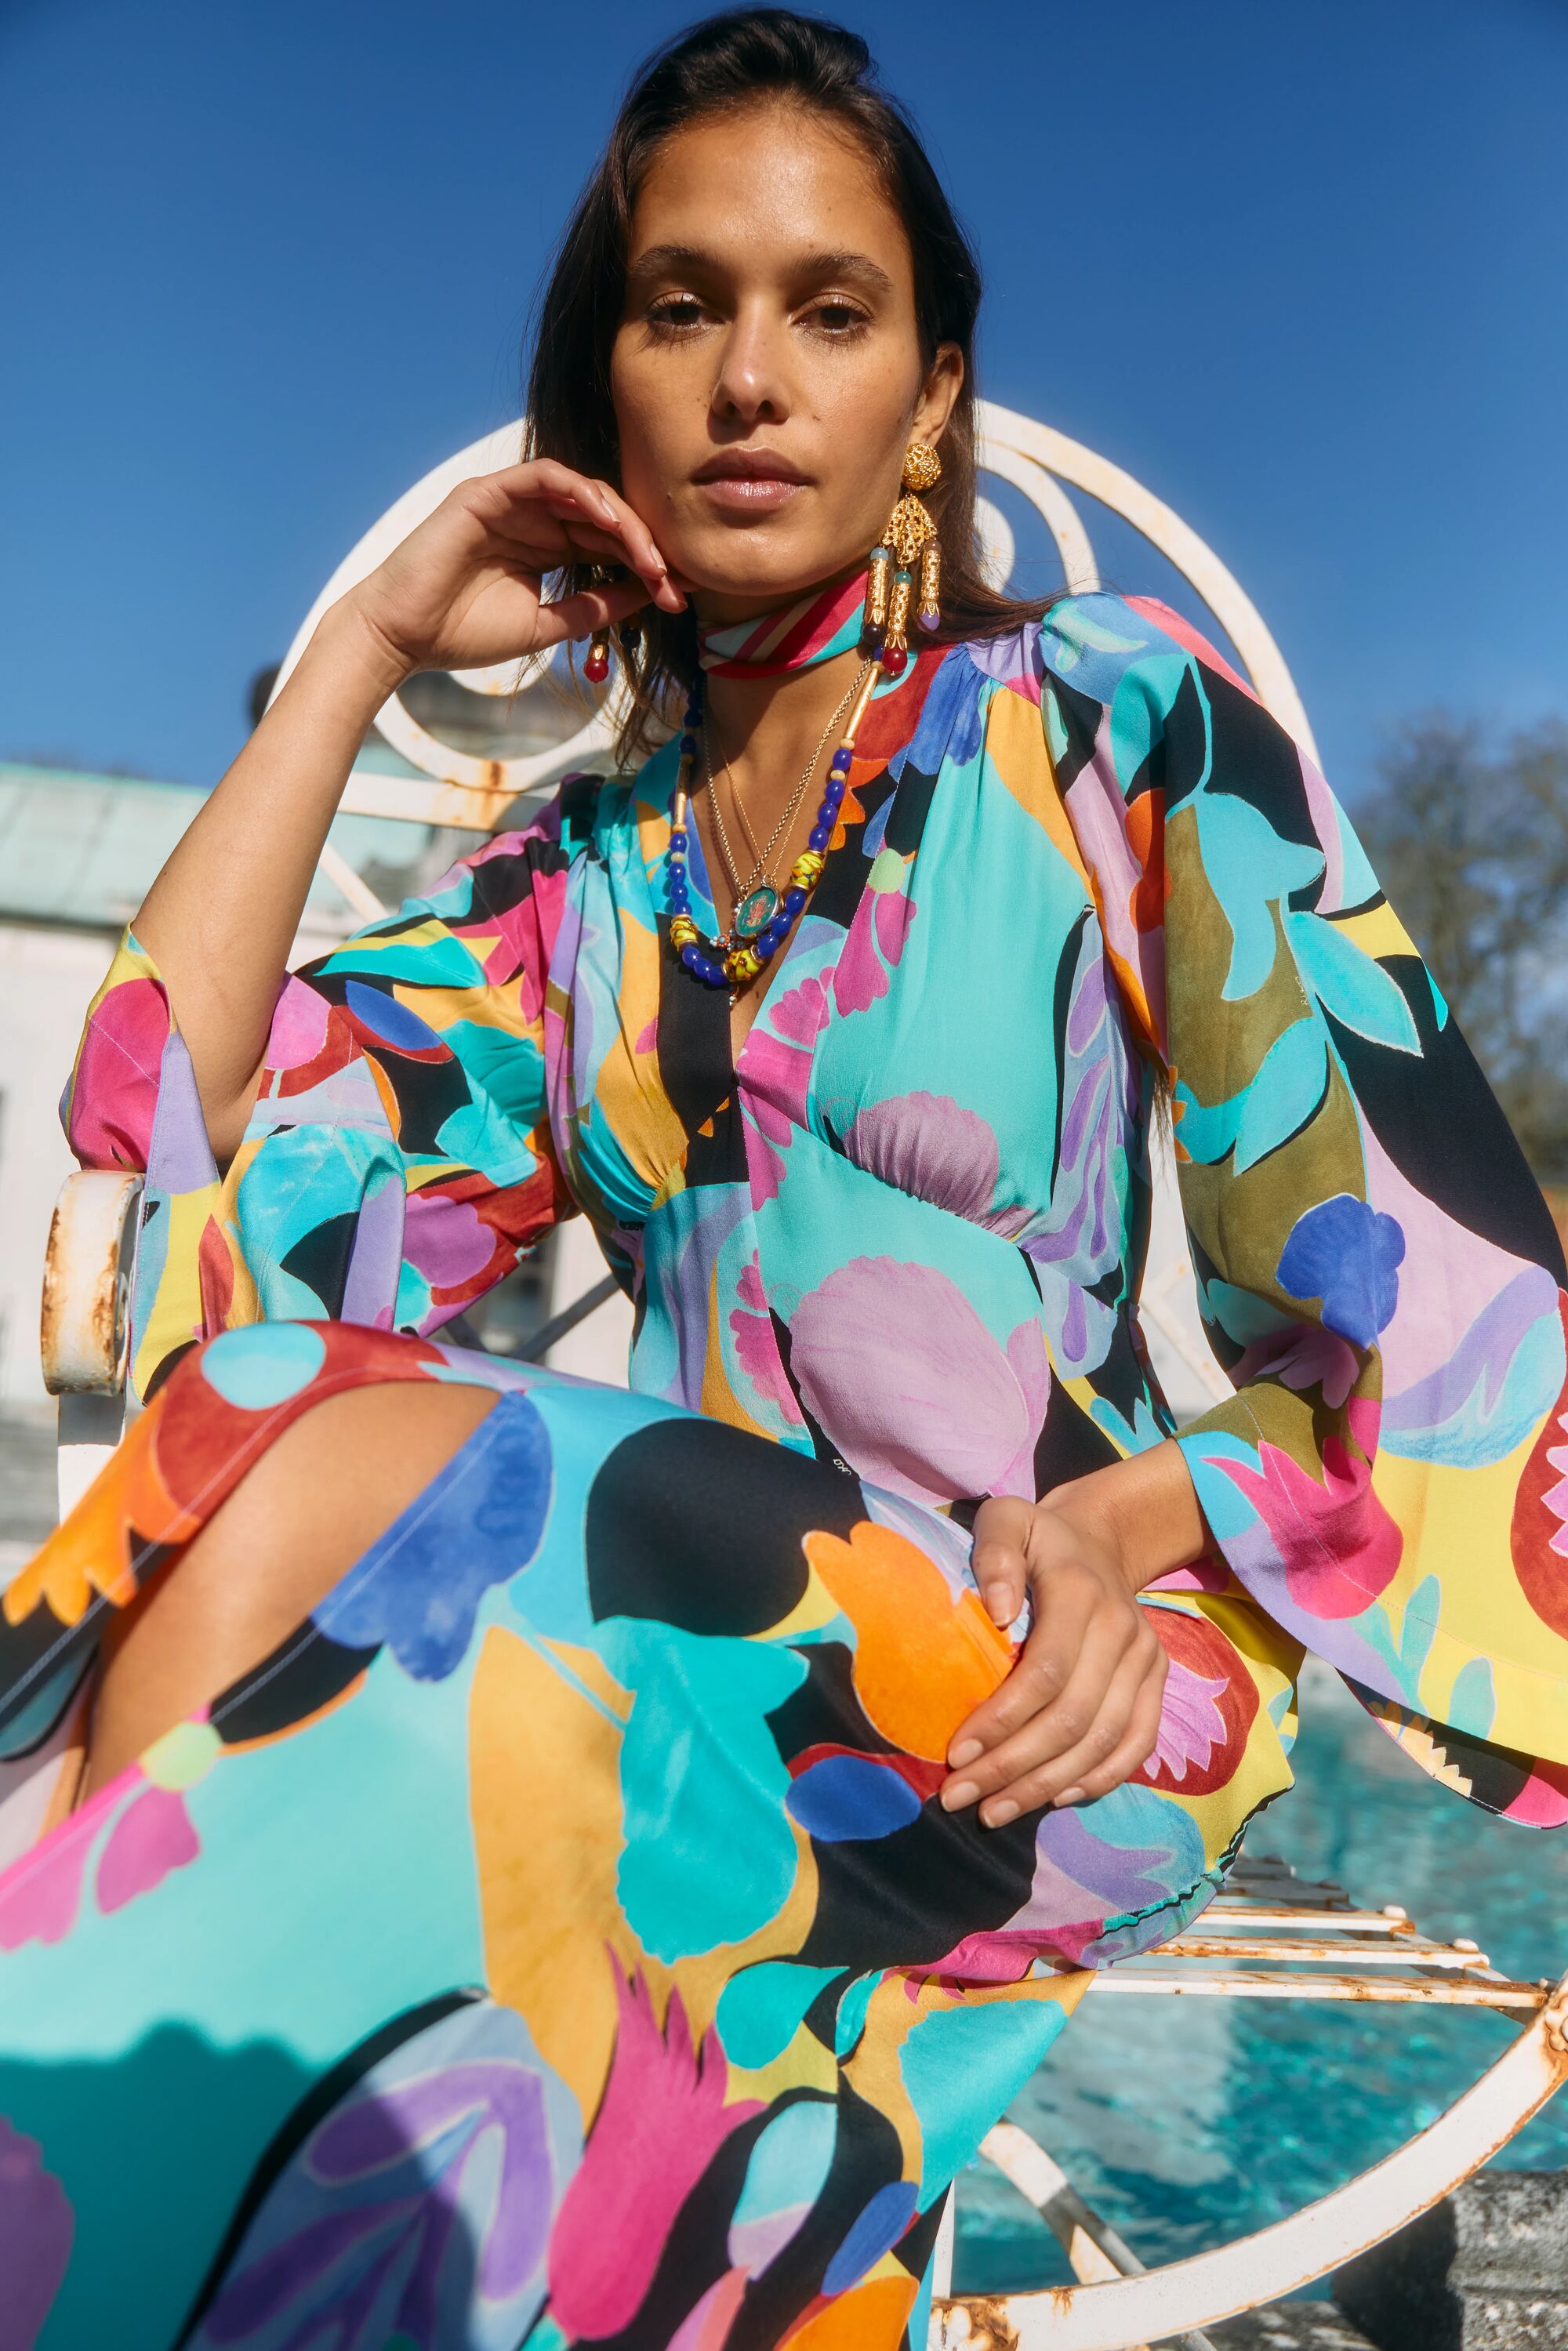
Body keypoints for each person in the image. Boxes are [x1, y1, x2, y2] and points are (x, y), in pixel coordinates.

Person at [5, 12, 1566, 2346]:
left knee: (439, 1510)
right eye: (683, 307)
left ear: (931, 394)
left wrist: (1126, 1527)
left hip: (1051, 1673)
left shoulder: (1107, 720)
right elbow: (170, 1110)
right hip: (640, 1622)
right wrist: (362, 651)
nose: (753, 376)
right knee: (283, 1422)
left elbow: (1425, 1306)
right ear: (606, 393)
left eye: (831, 310)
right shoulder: (581, 887)